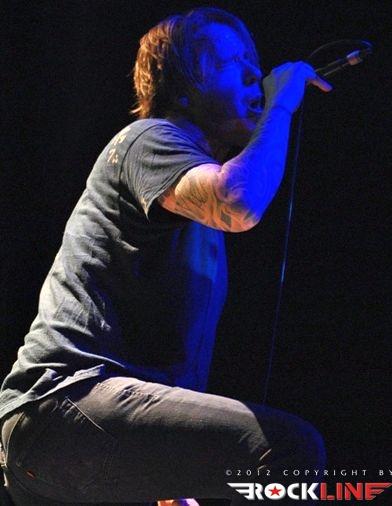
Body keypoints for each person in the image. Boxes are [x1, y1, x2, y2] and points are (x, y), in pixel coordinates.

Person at [0, 7, 331, 506]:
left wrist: (172, 484)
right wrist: (282, 104)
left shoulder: (189, 204)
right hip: (63, 405)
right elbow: (239, 203)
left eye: (254, 62)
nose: (253, 75)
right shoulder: (149, 139)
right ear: (181, 89)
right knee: (287, 449)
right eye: (232, 62)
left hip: (75, 432)